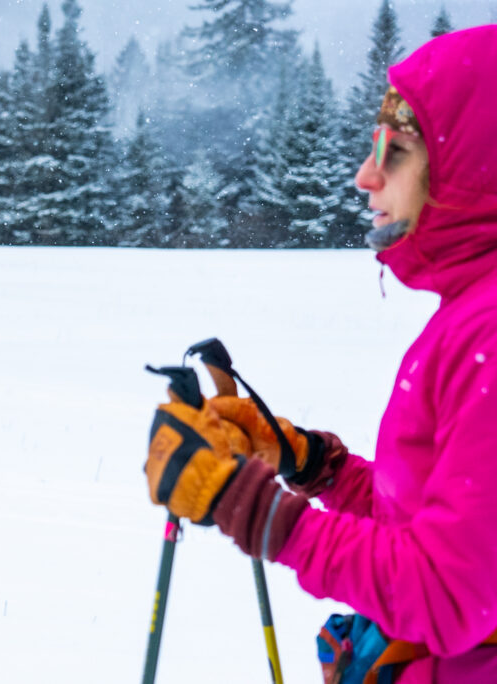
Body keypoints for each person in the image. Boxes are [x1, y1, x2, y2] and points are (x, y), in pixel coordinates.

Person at [144, 25, 497, 683]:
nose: (366, 176)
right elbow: (430, 522)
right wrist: (314, 464)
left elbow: (450, 595)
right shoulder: (470, 313)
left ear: (473, 162)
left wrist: (248, 505)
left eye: (394, 152)